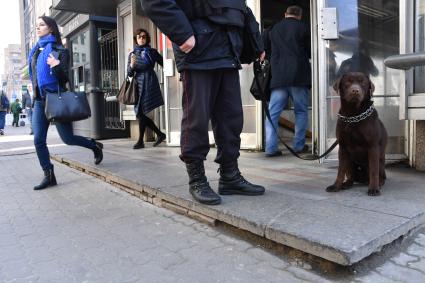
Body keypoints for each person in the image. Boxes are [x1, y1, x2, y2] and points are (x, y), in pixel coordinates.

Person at [140, 0, 266, 205]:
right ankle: (197, 179)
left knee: (231, 118)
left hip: (227, 51)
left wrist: (255, 42)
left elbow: (240, 7)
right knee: (196, 118)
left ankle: (230, 176)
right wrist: (182, 34)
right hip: (198, 52)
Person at [28, 16, 104, 191]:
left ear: (51, 29)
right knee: (38, 140)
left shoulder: (61, 50)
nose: (38, 28)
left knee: (68, 139)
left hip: (56, 99)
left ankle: (94, 146)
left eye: (41, 25)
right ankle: (49, 174)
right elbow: (35, 79)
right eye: (37, 25)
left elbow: (64, 78)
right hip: (40, 101)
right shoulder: (36, 51)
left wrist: (55, 65)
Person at [264, 5, 311, 157]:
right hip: (298, 76)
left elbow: (266, 51)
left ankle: (270, 149)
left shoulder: (273, 29)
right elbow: (312, 51)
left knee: (273, 114)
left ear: (285, 14)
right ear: (300, 15)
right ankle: (298, 146)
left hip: (278, 77)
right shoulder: (304, 28)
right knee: (301, 111)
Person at [127, 29, 166, 149]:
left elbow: (164, 63)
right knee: (139, 113)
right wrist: (132, 66)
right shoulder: (132, 54)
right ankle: (160, 134)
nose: (141, 39)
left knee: (140, 112)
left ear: (147, 38)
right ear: (136, 39)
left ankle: (140, 141)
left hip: (149, 82)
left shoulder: (152, 52)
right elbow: (129, 73)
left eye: (144, 37)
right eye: (139, 37)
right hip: (138, 84)